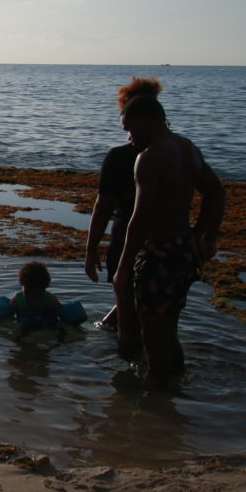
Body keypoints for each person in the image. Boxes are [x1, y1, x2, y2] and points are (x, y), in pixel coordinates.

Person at [111, 92, 225, 383]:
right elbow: (215, 192)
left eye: (129, 129)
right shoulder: (188, 149)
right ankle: (175, 388)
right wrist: (203, 235)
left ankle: (158, 398)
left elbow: (141, 219)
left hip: (159, 253)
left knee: (154, 333)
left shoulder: (149, 158)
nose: (129, 138)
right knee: (168, 329)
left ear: (147, 121)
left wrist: (123, 269)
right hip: (183, 250)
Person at [85, 78, 162, 328]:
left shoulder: (120, 157)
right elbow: (214, 193)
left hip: (129, 240)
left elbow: (103, 207)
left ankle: (116, 343)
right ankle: (112, 331)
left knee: (128, 302)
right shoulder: (179, 150)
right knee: (155, 310)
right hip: (168, 242)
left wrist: (91, 249)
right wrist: (202, 237)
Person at [10, 261, 62, 335]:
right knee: (18, 334)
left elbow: (63, 316)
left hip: (47, 327)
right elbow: (8, 315)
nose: (31, 298)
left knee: (59, 332)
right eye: (27, 293)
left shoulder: (51, 300)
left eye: (35, 294)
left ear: (44, 288)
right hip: (25, 327)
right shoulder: (17, 299)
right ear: (22, 285)